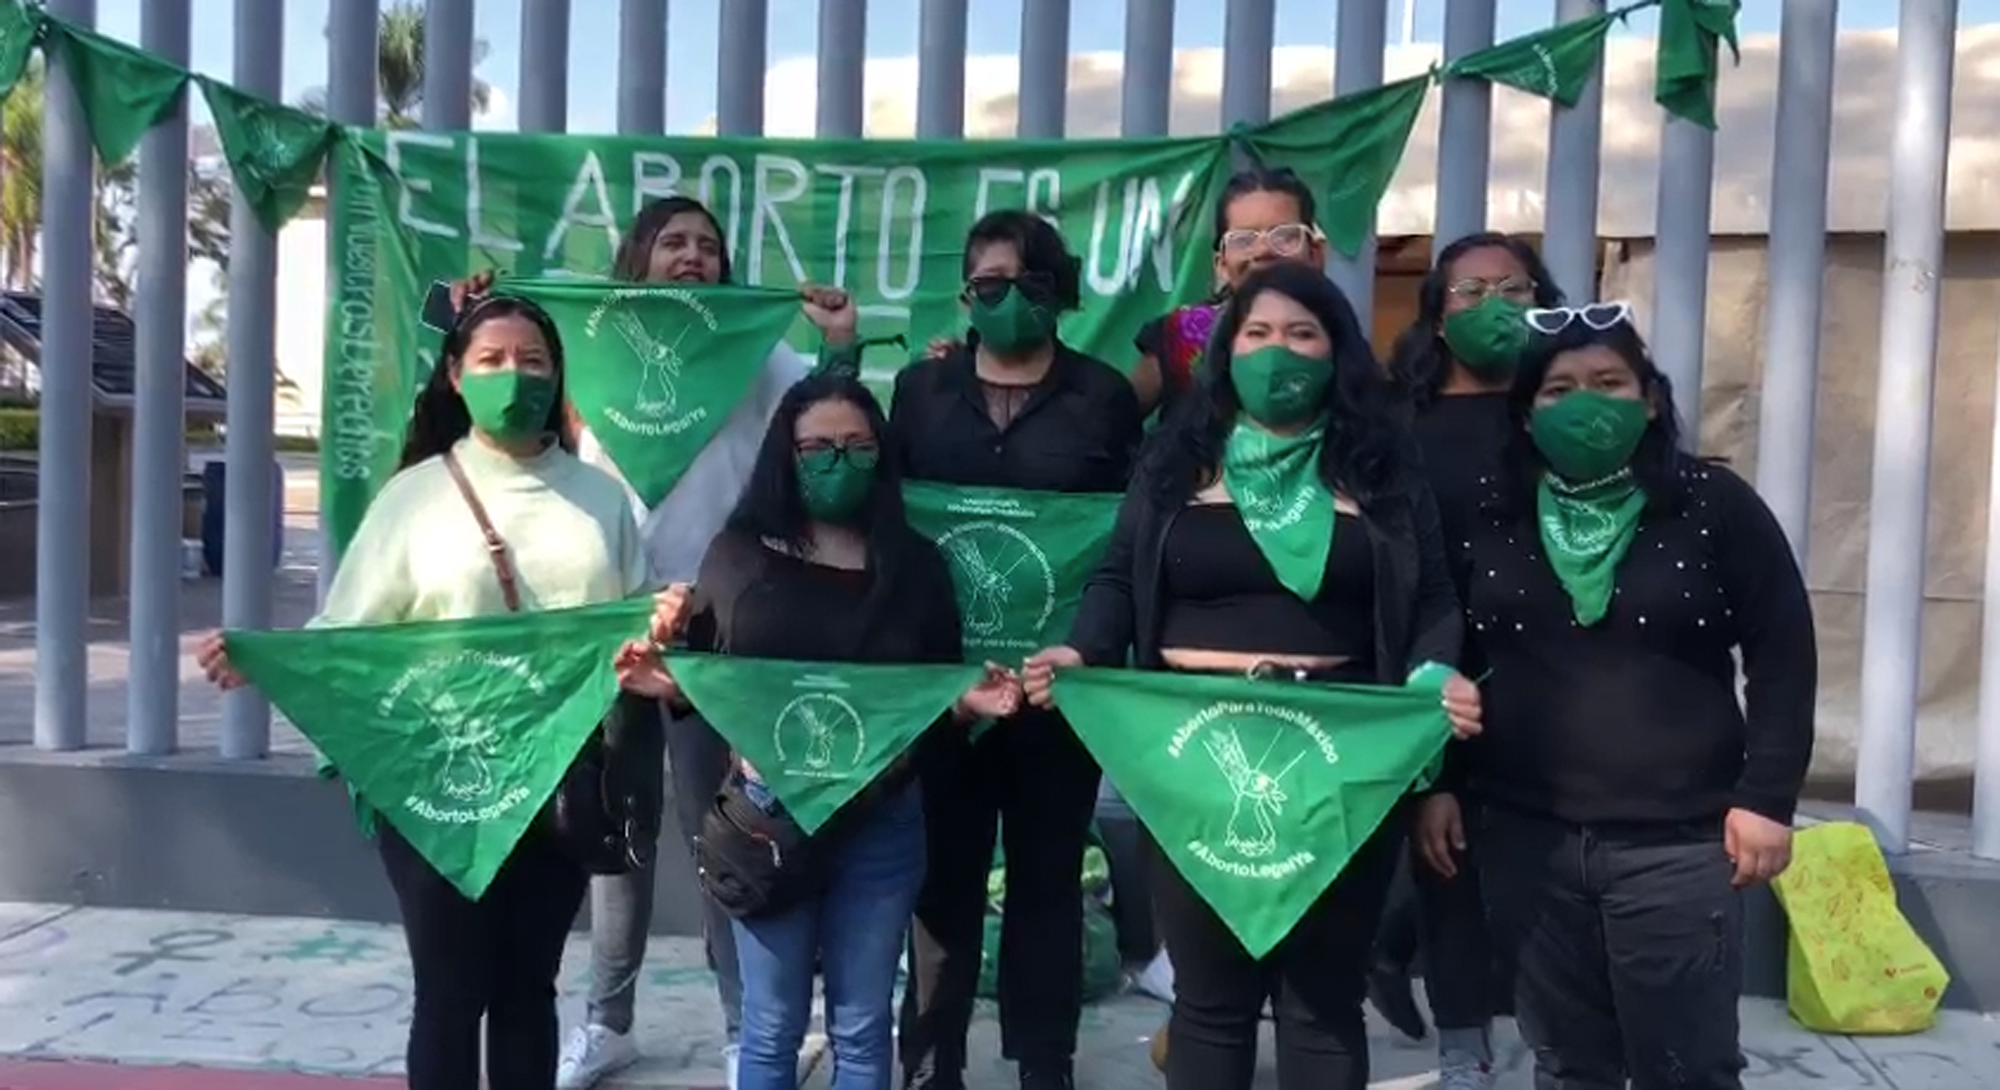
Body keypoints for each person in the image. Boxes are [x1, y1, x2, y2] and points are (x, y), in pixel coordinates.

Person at [1019, 261, 1482, 1090]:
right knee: (1211, 1001)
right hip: (1194, 754)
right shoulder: (1179, 459)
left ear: (1336, 352)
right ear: (1226, 351)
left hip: (1339, 757)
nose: (1279, 352)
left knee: (1322, 1003)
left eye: (1302, 334)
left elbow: (1436, 596)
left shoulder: (1381, 467)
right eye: (1258, 334)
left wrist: (1434, 674)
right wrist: (1082, 653)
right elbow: (1120, 579)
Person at [195, 296, 671, 1090]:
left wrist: (655, 631)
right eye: (491, 359)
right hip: (432, 787)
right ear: (455, 374)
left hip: (555, 781)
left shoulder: (600, 502)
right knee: (449, 994)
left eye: (533, 360)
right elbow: (349, 630)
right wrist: (268, 661)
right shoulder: (413, 499)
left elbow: (632, 624)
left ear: (557, 376)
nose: (514, 375)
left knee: (528, 990)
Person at [447, 196, 856, 1090]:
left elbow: (825, 411)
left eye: (709, 245)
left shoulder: (756, 346)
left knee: (726, 832)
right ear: (638, 258)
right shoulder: (586, 345)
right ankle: (608, 1022)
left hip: (725, 619)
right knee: (613, 830)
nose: (693, 256)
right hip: (615, 617)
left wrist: (837, 341)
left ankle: (749, 1033)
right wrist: (476, 306)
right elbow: (508, 390)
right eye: (673, 241)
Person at [1420, 303, 1815, 1089]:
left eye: (1609, 382)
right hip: (1525, 839)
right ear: (1527, 415)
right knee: (1569, 1065)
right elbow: (1453, 654)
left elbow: (1783, 653)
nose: (1586, 403)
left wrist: (1767, 797)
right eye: (1560, 389)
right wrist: (1439, 784)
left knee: (1687, 1068)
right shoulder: (1491, 515)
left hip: (1678, 845)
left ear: (1652, 399)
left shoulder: (1713, 505)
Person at [617, 373, 1024, 1090]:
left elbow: (930, 700)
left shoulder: (918, 566)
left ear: (882, 453)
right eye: (819, 448)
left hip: (885, 824)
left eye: (857, 446)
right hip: (769, 822)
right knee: (771, 1028)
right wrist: (667, 682)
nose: (839, 461)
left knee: (863, 1026)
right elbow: (710, 683)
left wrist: (968, 705)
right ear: (787, 454)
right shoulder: (738, 556)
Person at [889, 209, 1144, 1090]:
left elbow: (1125, 541)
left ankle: (1046, 1066)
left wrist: (1087, 650)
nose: (1007, 300)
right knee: (942, 886)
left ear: (1058, 291)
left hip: (1054, 690)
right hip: (947, 691)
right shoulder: (919, 393)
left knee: (1047, 883)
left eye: (1028, 283)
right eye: (989, 284)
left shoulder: (1103, 396)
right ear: (966, 294)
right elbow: (892, 526)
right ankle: (931, 1065)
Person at [1370, 231, 1565, 1085]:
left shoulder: (1559, 409)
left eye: (1513, 288)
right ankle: (1464, 1050)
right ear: (1437, 315)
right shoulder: (1395, 422)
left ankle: (1552, 1034)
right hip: (1430, 664)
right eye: (1470, 292)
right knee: (1442, 846)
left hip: (1549, 673)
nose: (1494, 307)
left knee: (1530, 857)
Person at [1128, 166, 1328, 416]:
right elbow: (1114, 423)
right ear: (1221, 264)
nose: (1264, 250)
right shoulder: (1182, 336)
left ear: (1315, 254)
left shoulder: (1337, 336)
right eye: (1243, 240)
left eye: (1284, 236)